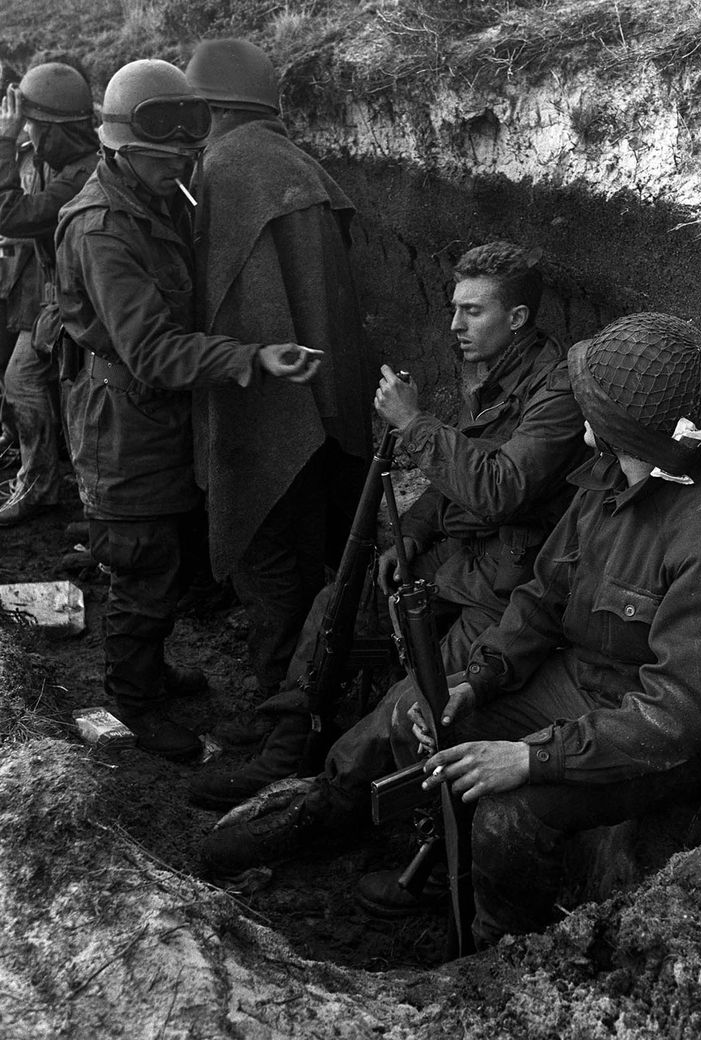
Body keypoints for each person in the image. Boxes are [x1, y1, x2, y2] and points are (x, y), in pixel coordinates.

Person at [201, 312, 701, 948]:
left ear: (626, 430)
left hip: (647, 736)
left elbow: (674, 718)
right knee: (418, 709)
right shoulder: (604, 482)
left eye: (595, 409)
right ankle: (437, 866)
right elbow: (541, 600)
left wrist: (529, 758)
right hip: (575, 687)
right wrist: (479, 678)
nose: (580, 419)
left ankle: (502, 949)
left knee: (509, 815)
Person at [189, 240, 588, 808]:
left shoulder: (557, 393)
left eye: (472, 311)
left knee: (418, 695)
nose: (455, 325)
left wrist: (413, 421)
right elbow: (456, 473)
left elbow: (500, 489)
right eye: (454, 308)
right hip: (458, 559)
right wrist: (416, 534)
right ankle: (288, 746)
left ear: (517, 317)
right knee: (338, 604)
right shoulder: (496, 372)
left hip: (506, 588)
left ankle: (331, 798)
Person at [54, 59, 322, 761]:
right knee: (141, 564)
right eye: (163, 155)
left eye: (186, 152)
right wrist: (251, 356)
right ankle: (134, 701)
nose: (182, 164)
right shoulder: (103, 229)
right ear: (120, 149)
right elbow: (150, 350)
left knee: (167, 556)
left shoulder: (156, 196)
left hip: (161, 412)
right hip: (121, 423)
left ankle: (151, 667)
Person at [185, 38, 373, 707]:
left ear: (210, 108)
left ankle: (280, 711)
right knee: (305, 550)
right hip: (322, 397)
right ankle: (302, 696)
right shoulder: (302, 166)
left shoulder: (222, 170)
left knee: (268, 558)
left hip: (261, 401)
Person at [0, 59, 100, 525]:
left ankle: (43, 488)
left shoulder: (78, 177)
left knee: (32, 385)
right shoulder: (70, 163)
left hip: (80, 304)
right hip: (60, 298)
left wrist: (5, 141)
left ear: (56, 132)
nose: (29, 135)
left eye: (35, 127)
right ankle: (45, 482)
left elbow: (12, 215)